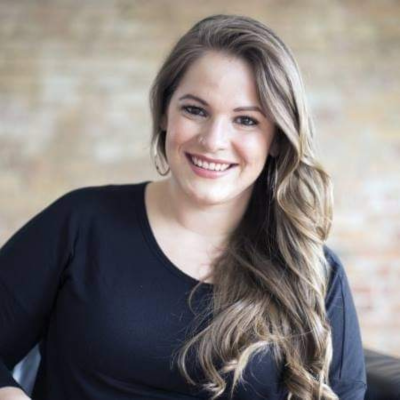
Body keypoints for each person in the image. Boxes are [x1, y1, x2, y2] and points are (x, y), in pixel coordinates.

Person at [0, 14, 367, 400]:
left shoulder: (312, 272)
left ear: (276, 139)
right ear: (164, 112)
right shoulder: (80, 223)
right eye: (195, 110)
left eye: (245, 120)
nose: (213, 141)